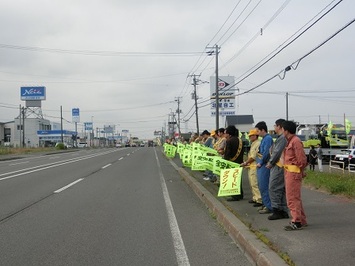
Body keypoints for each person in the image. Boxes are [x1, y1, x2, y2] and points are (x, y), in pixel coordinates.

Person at [282, 120, 308, 231]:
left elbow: (302, 159)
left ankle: (296, 221)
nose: (282, 131)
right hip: (290, 171)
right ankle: (301, 219)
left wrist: (300, 170)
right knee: (295, 197)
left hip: (293, 172)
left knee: (292, 198)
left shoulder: (295, 141)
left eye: (283, 129)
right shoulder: (290, 141)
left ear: (286, 131)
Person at [266, 119, 289, 220]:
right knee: (281, 188)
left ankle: (277, 210)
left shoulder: (282, 138)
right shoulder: (281, 138)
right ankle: (283, 210)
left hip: (278, 166)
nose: (274, 127)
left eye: (275, 125)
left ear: (279, 126)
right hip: (280, 165)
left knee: (274, 187)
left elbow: (277, 152)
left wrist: (271, 162)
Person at [240, 129, 262, 207]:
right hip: (251, 166)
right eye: (249, 136)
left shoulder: (258, 143)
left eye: (252, 135)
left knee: (254, 182)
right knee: (252, 183)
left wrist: (246, 162)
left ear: (256, 136)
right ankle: (255, 197)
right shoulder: (253, 143)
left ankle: (259, 199)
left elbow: (253, 156)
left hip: (254, 165)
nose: (250, 137)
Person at [255, 121, 273, 214]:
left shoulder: (268, 139)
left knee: (264, 186)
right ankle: (265, 204)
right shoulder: (264, 138)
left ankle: (268, 206)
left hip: (264, 165)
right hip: (261, 164)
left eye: (258, 131)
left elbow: (266, 152)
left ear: (262, 130)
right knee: (261, 185)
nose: (257, 133)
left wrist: (261, 162)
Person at [224, 125, 244, 201]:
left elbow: (227, 154)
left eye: (226, 133)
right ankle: (240, 194)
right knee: (239, 179)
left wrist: (225, 160)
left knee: (233, 179)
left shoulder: (229, 141)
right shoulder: (240, 140)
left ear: (229, 134)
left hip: (232, 162)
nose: (225, 135)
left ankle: (235, 196)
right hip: (240, 162)